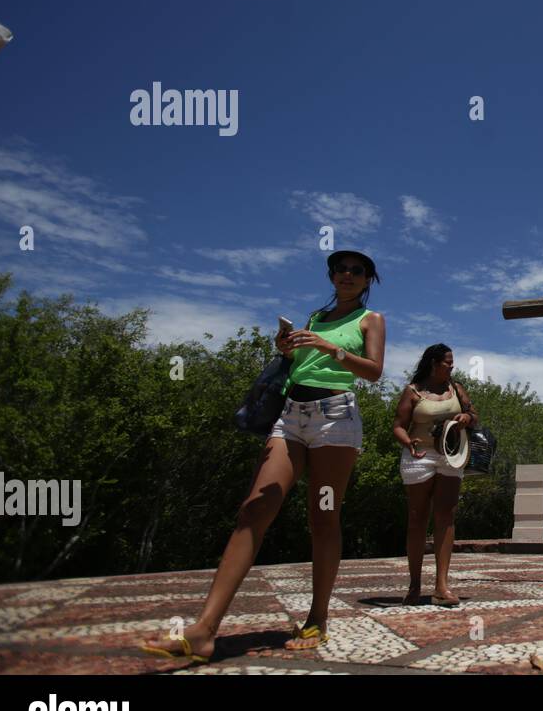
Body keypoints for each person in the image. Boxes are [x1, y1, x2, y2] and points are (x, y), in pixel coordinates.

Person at [140, 251, 386, 661]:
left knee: (323, 516)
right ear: (331, 276)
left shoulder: (370, 320)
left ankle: (318, 617)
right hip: (291, 415)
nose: (346, 274)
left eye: (356, 271)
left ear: (366, 281)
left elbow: (374, 371)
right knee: (254, 510)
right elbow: (297, 366)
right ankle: (203, 631)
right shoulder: (315, 317)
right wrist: (289, 350)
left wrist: (331, 349)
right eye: (340, 269)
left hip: (335, 420)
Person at [396, 343, 478, 606]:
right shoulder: (413, 391)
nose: (452, 367)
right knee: (417, 518)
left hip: (451, 456)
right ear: (434, 363)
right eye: (447, 363)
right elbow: (398, 425)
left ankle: (441, 586)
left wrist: (466, 417)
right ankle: (414, 585)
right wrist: (408, 442)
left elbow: (474, 415)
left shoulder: (457, 388)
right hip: (420, 456)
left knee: (446, 516)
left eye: (452, 363)